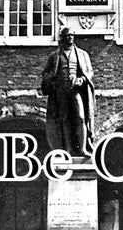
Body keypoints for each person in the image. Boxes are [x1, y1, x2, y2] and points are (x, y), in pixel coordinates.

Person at [39, 28, 96, 158]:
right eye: (67, 35)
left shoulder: (82, 54)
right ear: (62, 37)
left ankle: (82, 149)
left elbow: (89, 71)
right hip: (60, 91)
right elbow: (46, 73)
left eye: (71, 35)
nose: (69, 38)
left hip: (76, 91)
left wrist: (81, 79)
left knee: (81, 117)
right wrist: (52, 80)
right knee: (64, 120)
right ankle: (68, 149)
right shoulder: (54, 56)